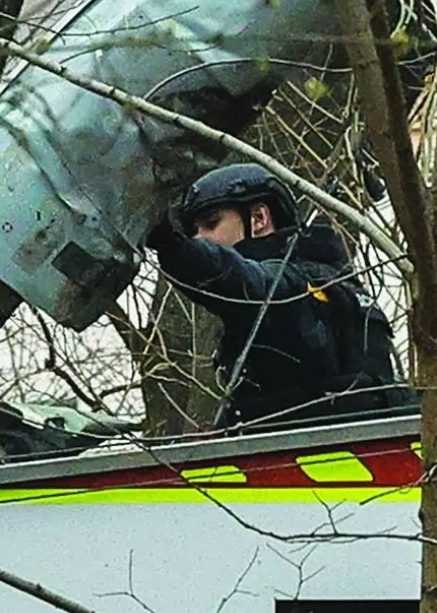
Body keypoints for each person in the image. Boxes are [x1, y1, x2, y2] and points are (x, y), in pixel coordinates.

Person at [145, 163, 413, 430]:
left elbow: (241, 279)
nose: (200, 238)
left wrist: (170, 243)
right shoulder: (330, 279)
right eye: (193, 232)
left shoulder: (290, 286)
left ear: (259, 218)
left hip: (303, 459)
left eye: (211, 224)